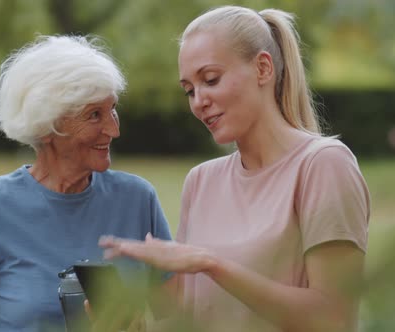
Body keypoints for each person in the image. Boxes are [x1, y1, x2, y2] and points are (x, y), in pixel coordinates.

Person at [99, 5, 370, 332]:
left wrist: (213, 265)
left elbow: (333, 319)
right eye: (189, 90)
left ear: (263, 68)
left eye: (210, 80)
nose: (199, 100)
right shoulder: (201, 181)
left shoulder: (324, 164)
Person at [0, 35, 172, 332]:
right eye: (94, 115)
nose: (113, 129)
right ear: (47, 125)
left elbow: (180, 320)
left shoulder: (138, 200)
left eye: (112, 108)